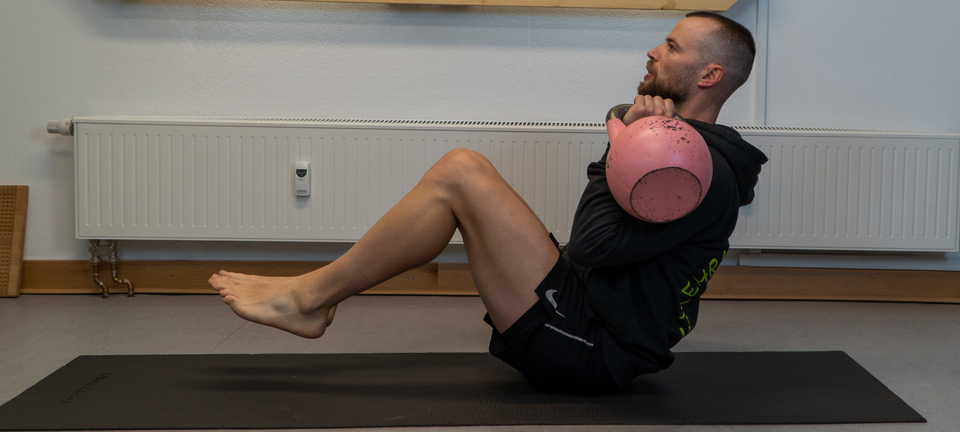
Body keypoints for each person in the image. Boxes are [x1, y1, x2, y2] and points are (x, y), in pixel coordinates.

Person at [209, 11, 768, 395]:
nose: (653, 49)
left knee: (460, 172)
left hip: (591, 350)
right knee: (461, 170)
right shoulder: (676, 145)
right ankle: (310, 297)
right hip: (585, 311)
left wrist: (624, 146)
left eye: (671, 46)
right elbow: (601, 245)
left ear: (709, 74)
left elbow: (595, 244)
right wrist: (633, 136)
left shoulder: (701, 170)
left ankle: (307, 299)